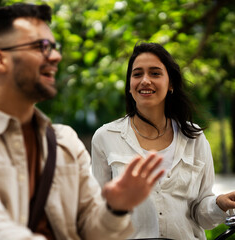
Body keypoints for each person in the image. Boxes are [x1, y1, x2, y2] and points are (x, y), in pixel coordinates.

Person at [0, 4, 165, 240]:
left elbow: (93, 230)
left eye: (54, 47)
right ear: (0, 60)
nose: (55, 56)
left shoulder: (65, 141)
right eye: (41, 46)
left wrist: (116, 208)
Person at [91, 42, 235, 240]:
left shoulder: (195, 138)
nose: (145, 80)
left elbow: (202, 216)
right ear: (130, 86)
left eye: (155, 73)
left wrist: (218, 204)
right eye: (137, 74)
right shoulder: (105, 137)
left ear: (171, 84)